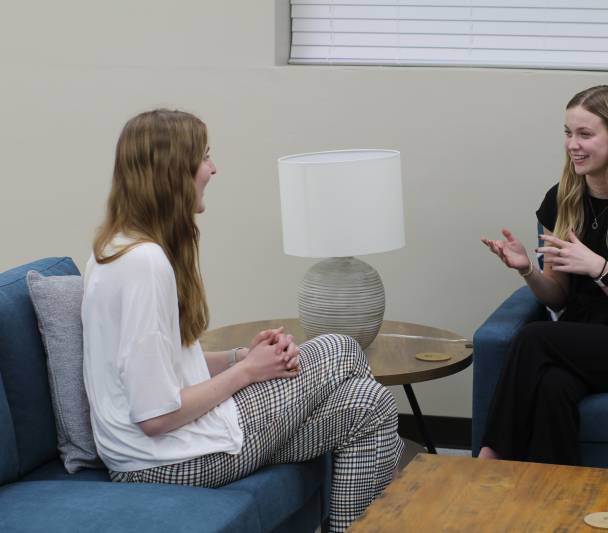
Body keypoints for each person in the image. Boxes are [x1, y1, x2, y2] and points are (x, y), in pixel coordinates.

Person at [81, 109, 403, 532]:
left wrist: (241, 356)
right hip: (167, 460)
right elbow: (155, 416)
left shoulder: (116, 249)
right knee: (340, 347)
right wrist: (249, 373)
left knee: (369, 404)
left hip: (167, 449)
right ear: (173, 172)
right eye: (205, 158)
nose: (213, 169)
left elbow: (164, 367)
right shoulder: (144, 264)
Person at [479, 85, 608, 465]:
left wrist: (601, 270)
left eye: (585, 134)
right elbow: (557, 296)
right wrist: (527, 270)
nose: (572, 144)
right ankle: (554, 504)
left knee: (533, 338)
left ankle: (489, 460)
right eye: (568, 132)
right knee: (553, 388)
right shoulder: (561, 199)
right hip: (581, 338)